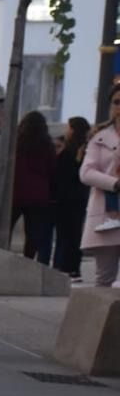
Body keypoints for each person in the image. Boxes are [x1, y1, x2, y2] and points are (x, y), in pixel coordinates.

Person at [80, 86, 120, 287]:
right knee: (104, 278)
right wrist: (114, 183)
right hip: (108, 213)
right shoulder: (100, 137)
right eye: (116, 102)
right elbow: (86, 173)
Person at [11, 110, 56, 265]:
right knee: (33, 233)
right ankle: (28, 261)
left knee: (7, 227)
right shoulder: (47, 145)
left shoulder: (16, 143)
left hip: (16, 193)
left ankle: (2, 256)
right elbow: (51, 169)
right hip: (38, 195)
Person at [52, 116, 92, 279]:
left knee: (67, 235)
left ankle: (64, 267)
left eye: (69, 127)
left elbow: (70, 173)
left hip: (68, 198)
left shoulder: (75, 151)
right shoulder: (77, 148)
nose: (66, 131)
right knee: (73, 234)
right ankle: (71, 267)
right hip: (77, 198)